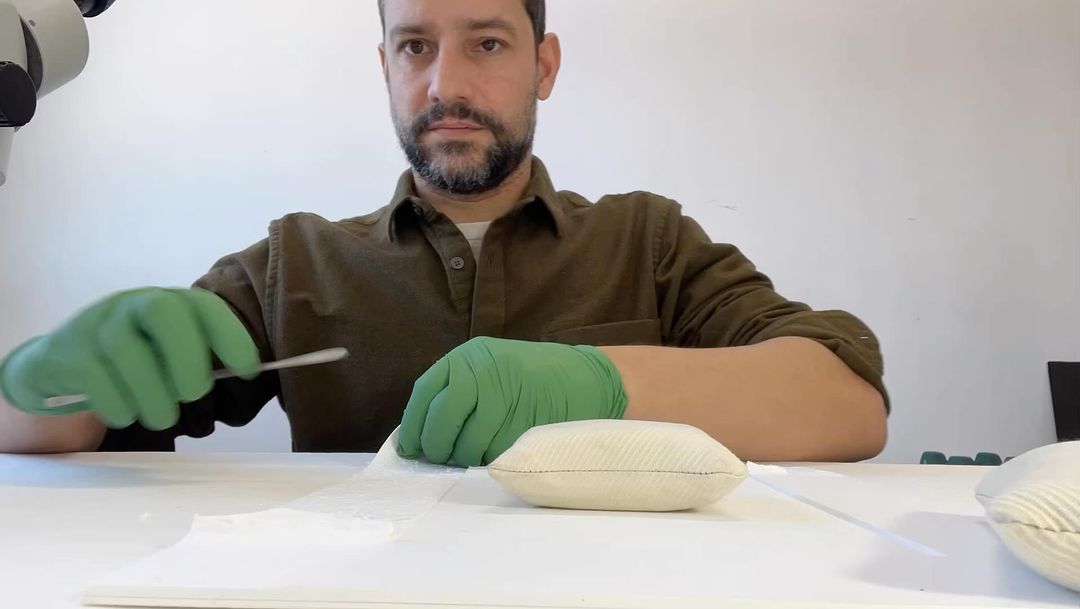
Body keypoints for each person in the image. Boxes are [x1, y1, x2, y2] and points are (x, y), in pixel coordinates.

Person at [0, 0, 888, 464]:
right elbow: (54, 435)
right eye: (416, 46)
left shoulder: (646, 241)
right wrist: (44, 376)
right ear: (385, 65)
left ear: (544, 66)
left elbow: (847, 402)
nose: (445, 84)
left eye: (488, 45)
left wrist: (600, 383)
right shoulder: (296, 260)